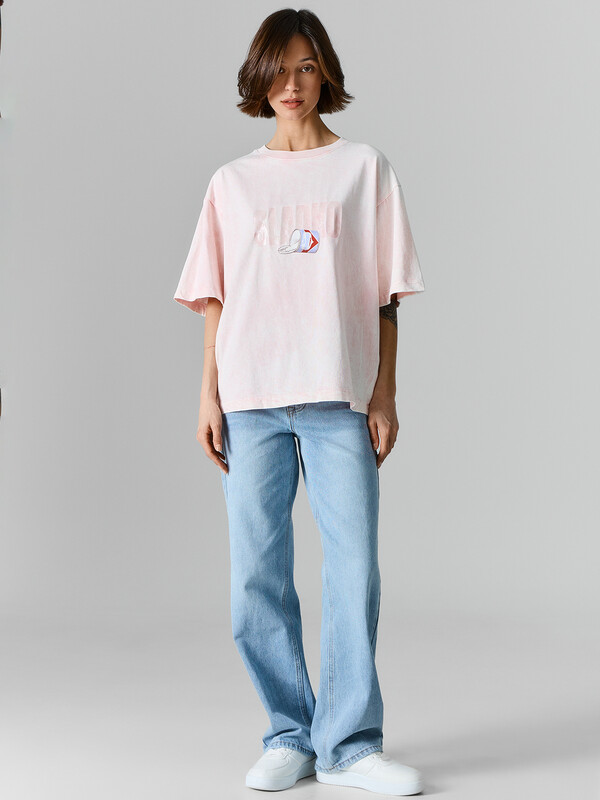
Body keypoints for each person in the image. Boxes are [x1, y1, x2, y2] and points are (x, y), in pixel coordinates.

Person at [173, 8, 425, 796]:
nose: (292, 84)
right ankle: (289, 733)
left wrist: (384, 391)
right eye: (279, 69)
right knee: (256, 577)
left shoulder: (364, 169)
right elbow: (216, 298)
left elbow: (386, 297)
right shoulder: (232, 183)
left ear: (326, 74)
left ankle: (349, 744)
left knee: (354, 572)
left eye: (307, 67)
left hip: (336, 398)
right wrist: (207, 395)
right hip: (249, 399)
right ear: (260, 78)